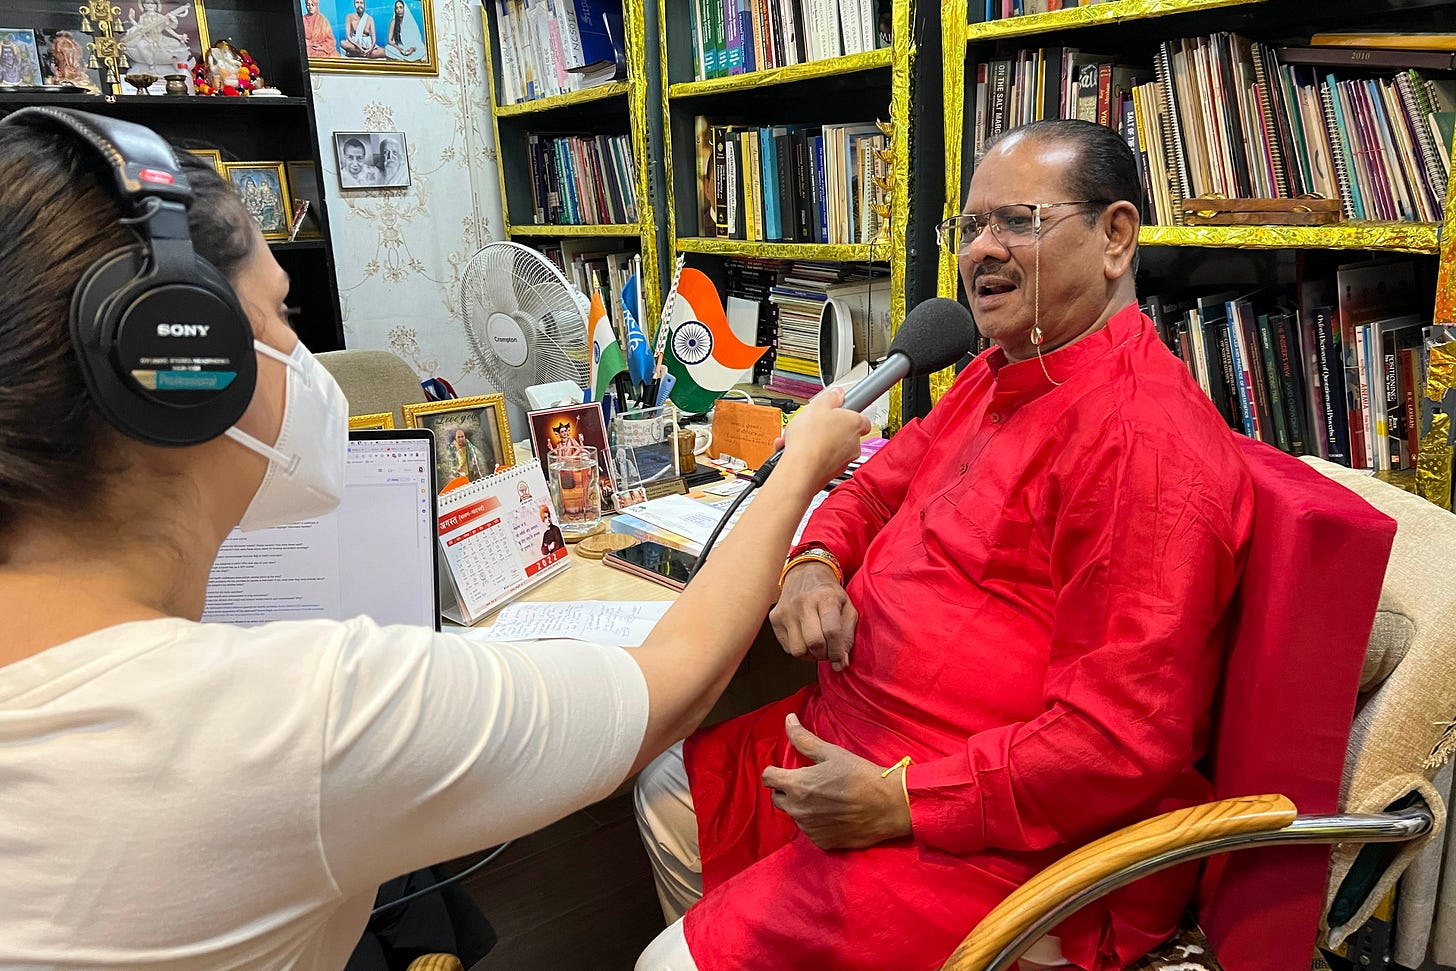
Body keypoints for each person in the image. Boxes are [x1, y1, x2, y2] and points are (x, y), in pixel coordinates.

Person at [0, 110, 869, 966]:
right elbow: (671, 684)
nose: (305, 359)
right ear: (181, 360)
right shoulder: (293, 717)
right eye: (280, 317)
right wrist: (794, 468)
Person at [634, 119, 1256, 971]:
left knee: (666, 964)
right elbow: (870, 486)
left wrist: (899, 800)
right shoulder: (999, 367)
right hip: (852, 738)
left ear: (1116, 236)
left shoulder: (1143, 443)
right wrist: (813, 564)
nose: (981, 252)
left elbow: (1117, 742)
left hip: (991, 834)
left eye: (1019, 222)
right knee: (663, 778)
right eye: (969, 228)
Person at [122, 0, 194, 82]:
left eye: (152, 3)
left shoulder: (160, 17)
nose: (150, 5)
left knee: (177, 44)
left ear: (156, 6)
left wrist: (178, 36)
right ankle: (151, 64)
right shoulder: (143, 17)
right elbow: (139, 28)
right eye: (147, 3)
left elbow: (168, 28)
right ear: (144, 6)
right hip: (147, 38)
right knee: (140, 45)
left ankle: (172, 63)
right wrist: (132, 20)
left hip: (160, 38)